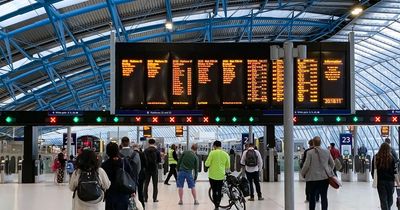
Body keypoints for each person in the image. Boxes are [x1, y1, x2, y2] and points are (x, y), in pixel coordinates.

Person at [301, 136, 335, 210]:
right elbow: (332, 164)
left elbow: (306, 165)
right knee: (324, 196)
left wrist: (302, 173)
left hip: (312, 179)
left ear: (313, 142)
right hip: (324, 178)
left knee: (312, 196)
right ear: (320, 143)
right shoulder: (327, 151)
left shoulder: (309, 153)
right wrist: (328, 171)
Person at [102, 142, 135, 210]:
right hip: (124, 193)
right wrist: (133, 190)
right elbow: (131, 176)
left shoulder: (105, 165)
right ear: (117, 150)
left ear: (107, 152)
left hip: (110, 195)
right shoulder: (124, 162)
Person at [372, 143, 400, 210]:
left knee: (383, 200)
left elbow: (373, 170)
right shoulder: (392, 158)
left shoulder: (376, 157)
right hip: (390, 182)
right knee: (389, 199)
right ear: (388, 149)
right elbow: (395, 172)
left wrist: (374, 177)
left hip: (380, 182)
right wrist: (398, 182)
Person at [205, 140, 230, 210]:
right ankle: (218, 204)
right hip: (221, 175)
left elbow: (207, 164)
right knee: (219, 191)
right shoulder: (225, 154)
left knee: (214, 190)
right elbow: (228, 165)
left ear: (215, 146)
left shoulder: (212, 153)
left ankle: (216, 206)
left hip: (212, 176)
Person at [143, 138, 161, 202]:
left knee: (146, 184)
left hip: (147, 169)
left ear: (148, 143)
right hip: (154, 169)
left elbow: (143, 160)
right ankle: (154, 198)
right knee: (155, 184)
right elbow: (159, 160)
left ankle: (145, 198)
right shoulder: (157, 151)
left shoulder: (145, 151)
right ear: (154, 143)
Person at [133, 143, 146, 209]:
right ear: (138, 147)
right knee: (140, 191)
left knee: (133, 192)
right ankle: (142, 206)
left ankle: (133, 205)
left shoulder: (131, 154)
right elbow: (145, 164)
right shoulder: (142, 154)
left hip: (132, 176)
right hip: (141, 175)